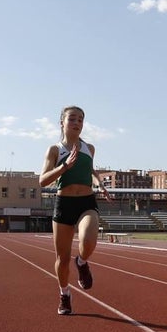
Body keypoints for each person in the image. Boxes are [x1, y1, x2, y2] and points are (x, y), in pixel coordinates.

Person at [41, 105, 112, 315]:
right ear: (62, 122)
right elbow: (42, 180)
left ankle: (81, 262)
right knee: (62, 259)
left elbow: (90, 169)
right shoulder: (55, 150)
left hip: (86, 202)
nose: (77, 123)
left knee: (89, 241)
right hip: (64, 205)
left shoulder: (89, 148)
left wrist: (100, 183)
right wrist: (64, 167)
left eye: (81, 119)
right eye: (72, 119)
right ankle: (65, 294)